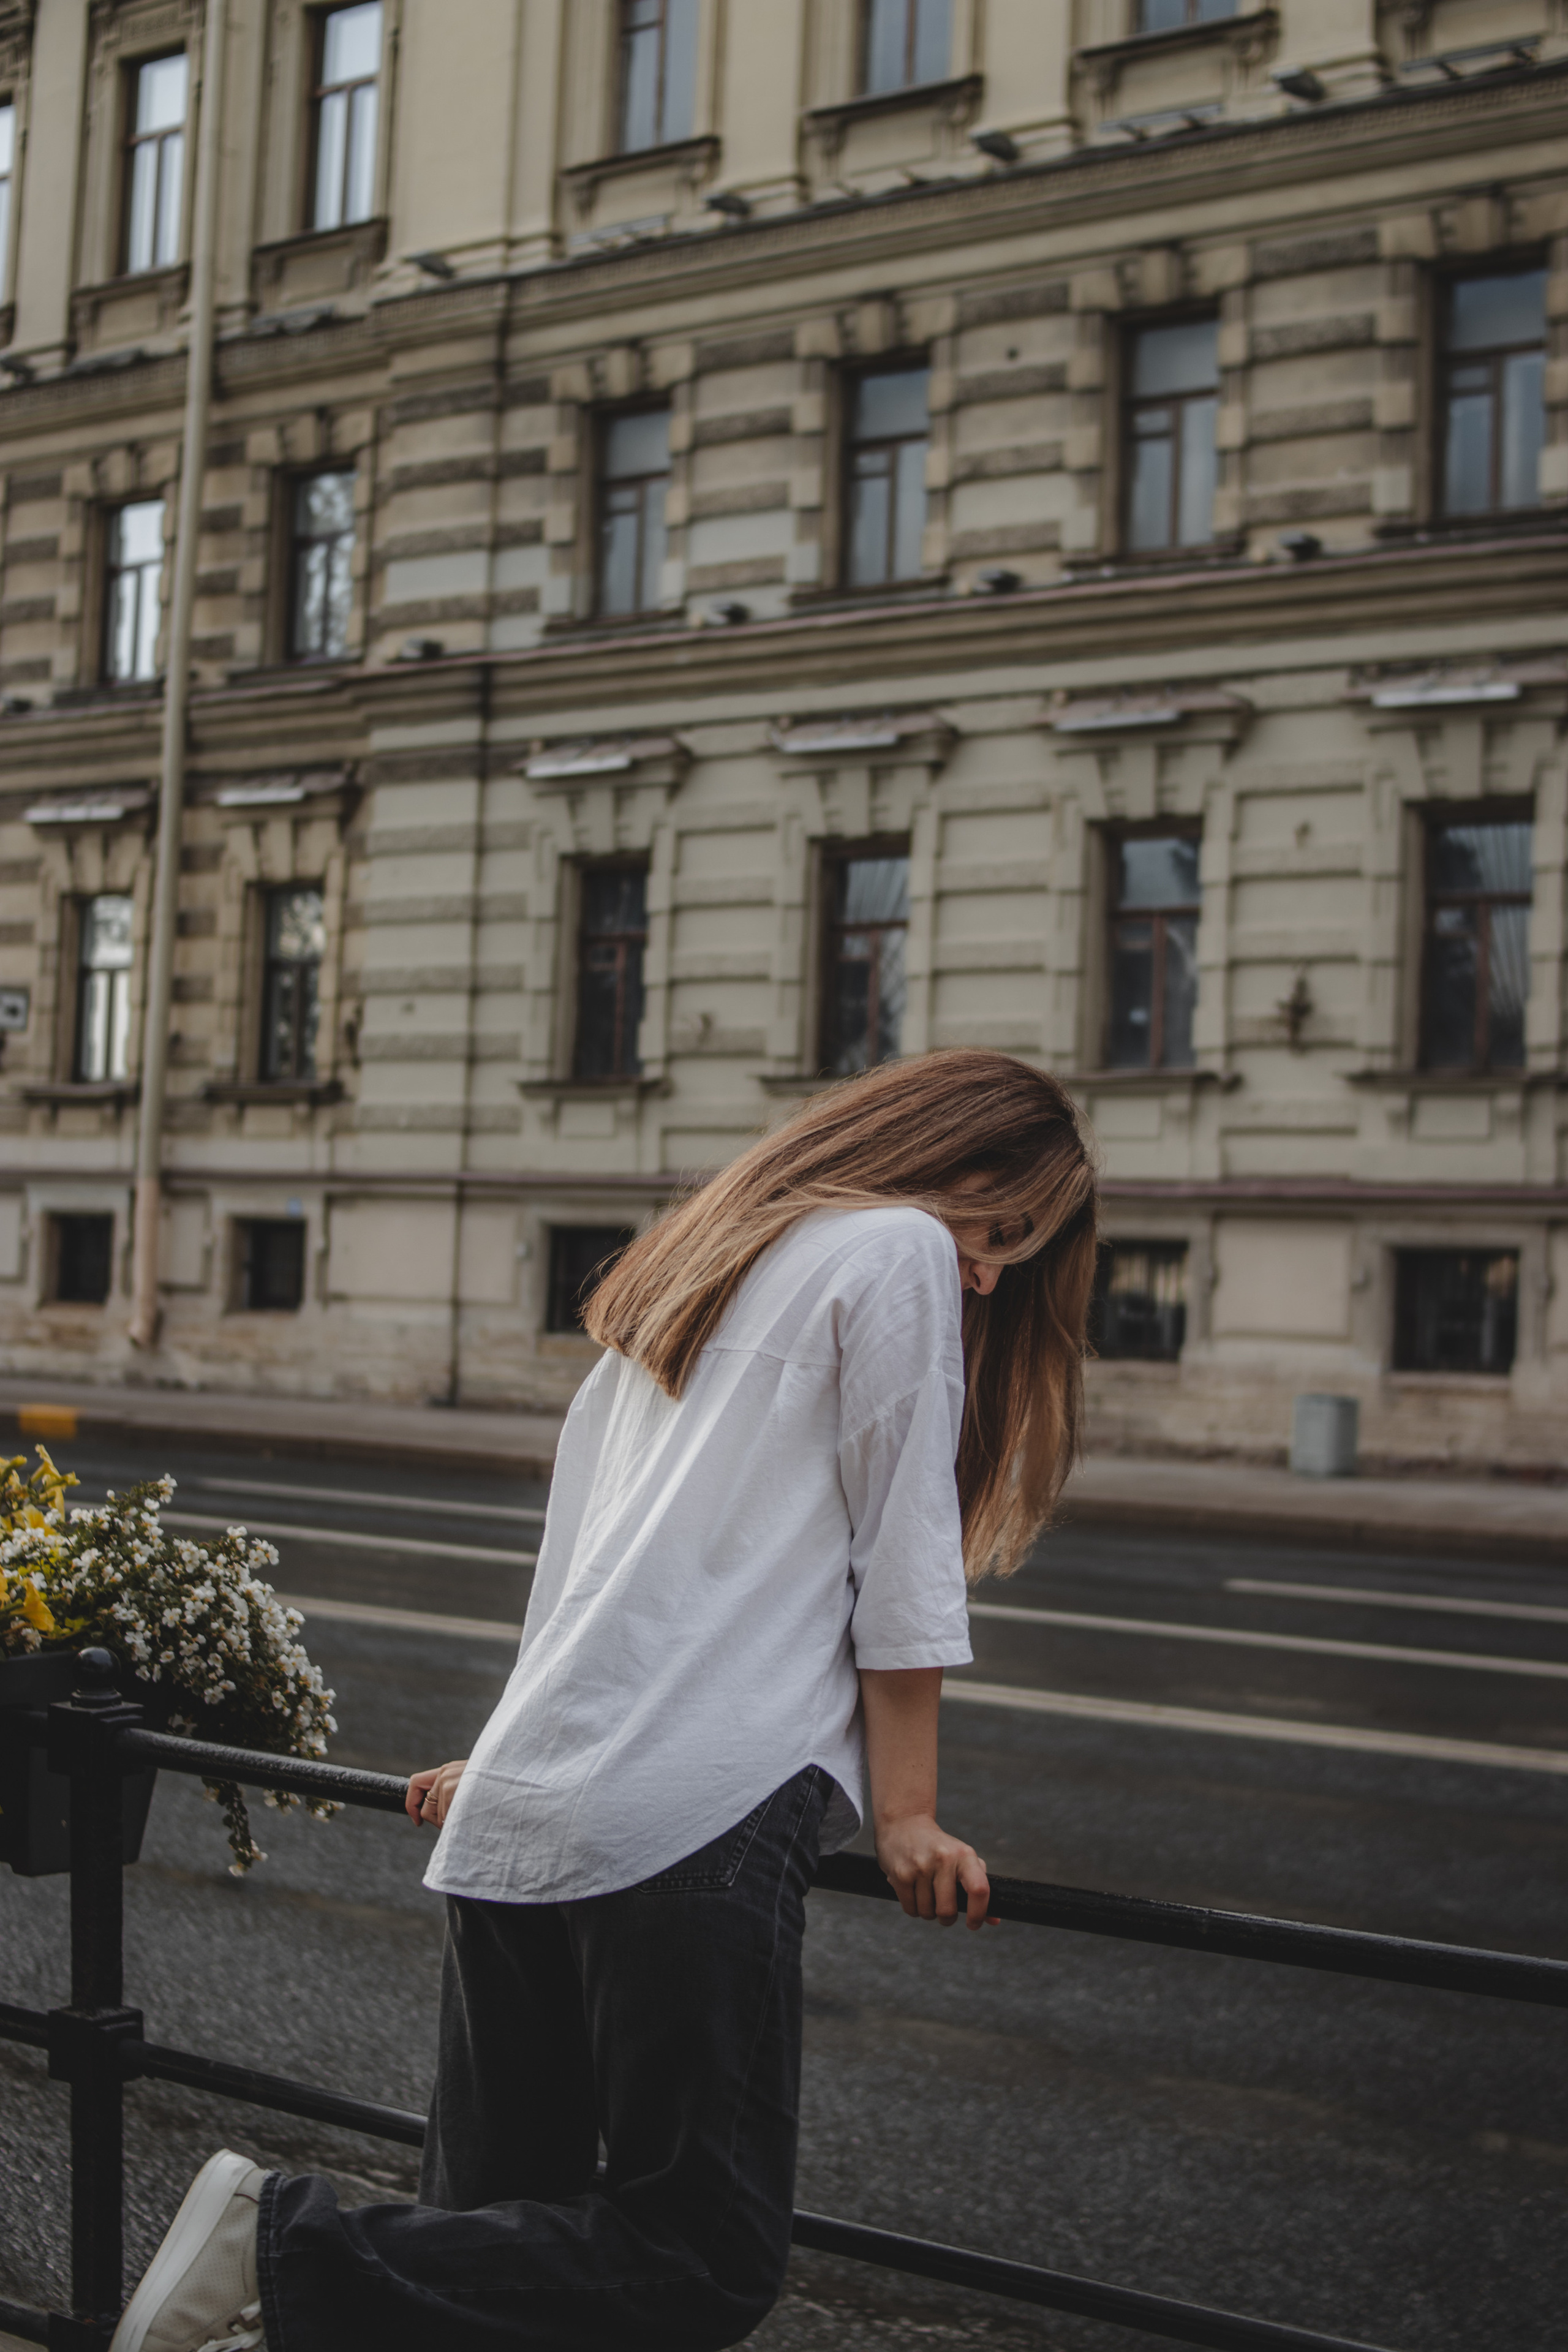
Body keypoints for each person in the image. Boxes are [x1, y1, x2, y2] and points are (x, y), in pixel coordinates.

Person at [110, 1047, 1098, 2352]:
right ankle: (274, 2243)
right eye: (1003, 1229)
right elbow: (901, 1552)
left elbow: (584, 1552)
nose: (985, 1269)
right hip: (698, 1818)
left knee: (478, 2267)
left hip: (531, 1812)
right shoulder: (895, 1250)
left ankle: (270, 2289)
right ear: (947, 1158)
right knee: (699, 2259)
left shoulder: (699, 1259)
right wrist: (908, 1812)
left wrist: (512, 1751)